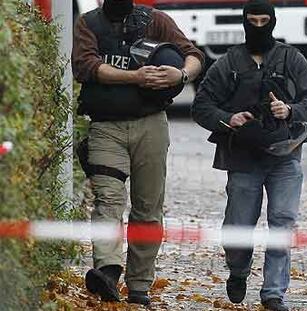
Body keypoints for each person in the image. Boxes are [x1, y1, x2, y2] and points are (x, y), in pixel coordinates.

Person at [192, 0, 307, 310]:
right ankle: (237, 271)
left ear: (274, 22)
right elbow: (201, 106)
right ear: (244, 21)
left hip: (285, 155)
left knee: (283, 221)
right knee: (239, 224)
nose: (259, 26)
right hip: (243, 157)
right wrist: (229, 119)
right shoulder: (228, 64)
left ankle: (274, 292)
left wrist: (290, 110)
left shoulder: (292, 59)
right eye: (253, 20)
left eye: (265, 20)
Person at [72, 0, 204, 306]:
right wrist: (135, 77)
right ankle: (108, 270)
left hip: (150, 125)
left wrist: (180, 76)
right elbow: (85, 66)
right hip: (106, 127)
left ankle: (140, 284)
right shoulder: (89, 23)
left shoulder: (155, 20)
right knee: (108, 200)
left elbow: (194, 56)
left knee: (148, 206)